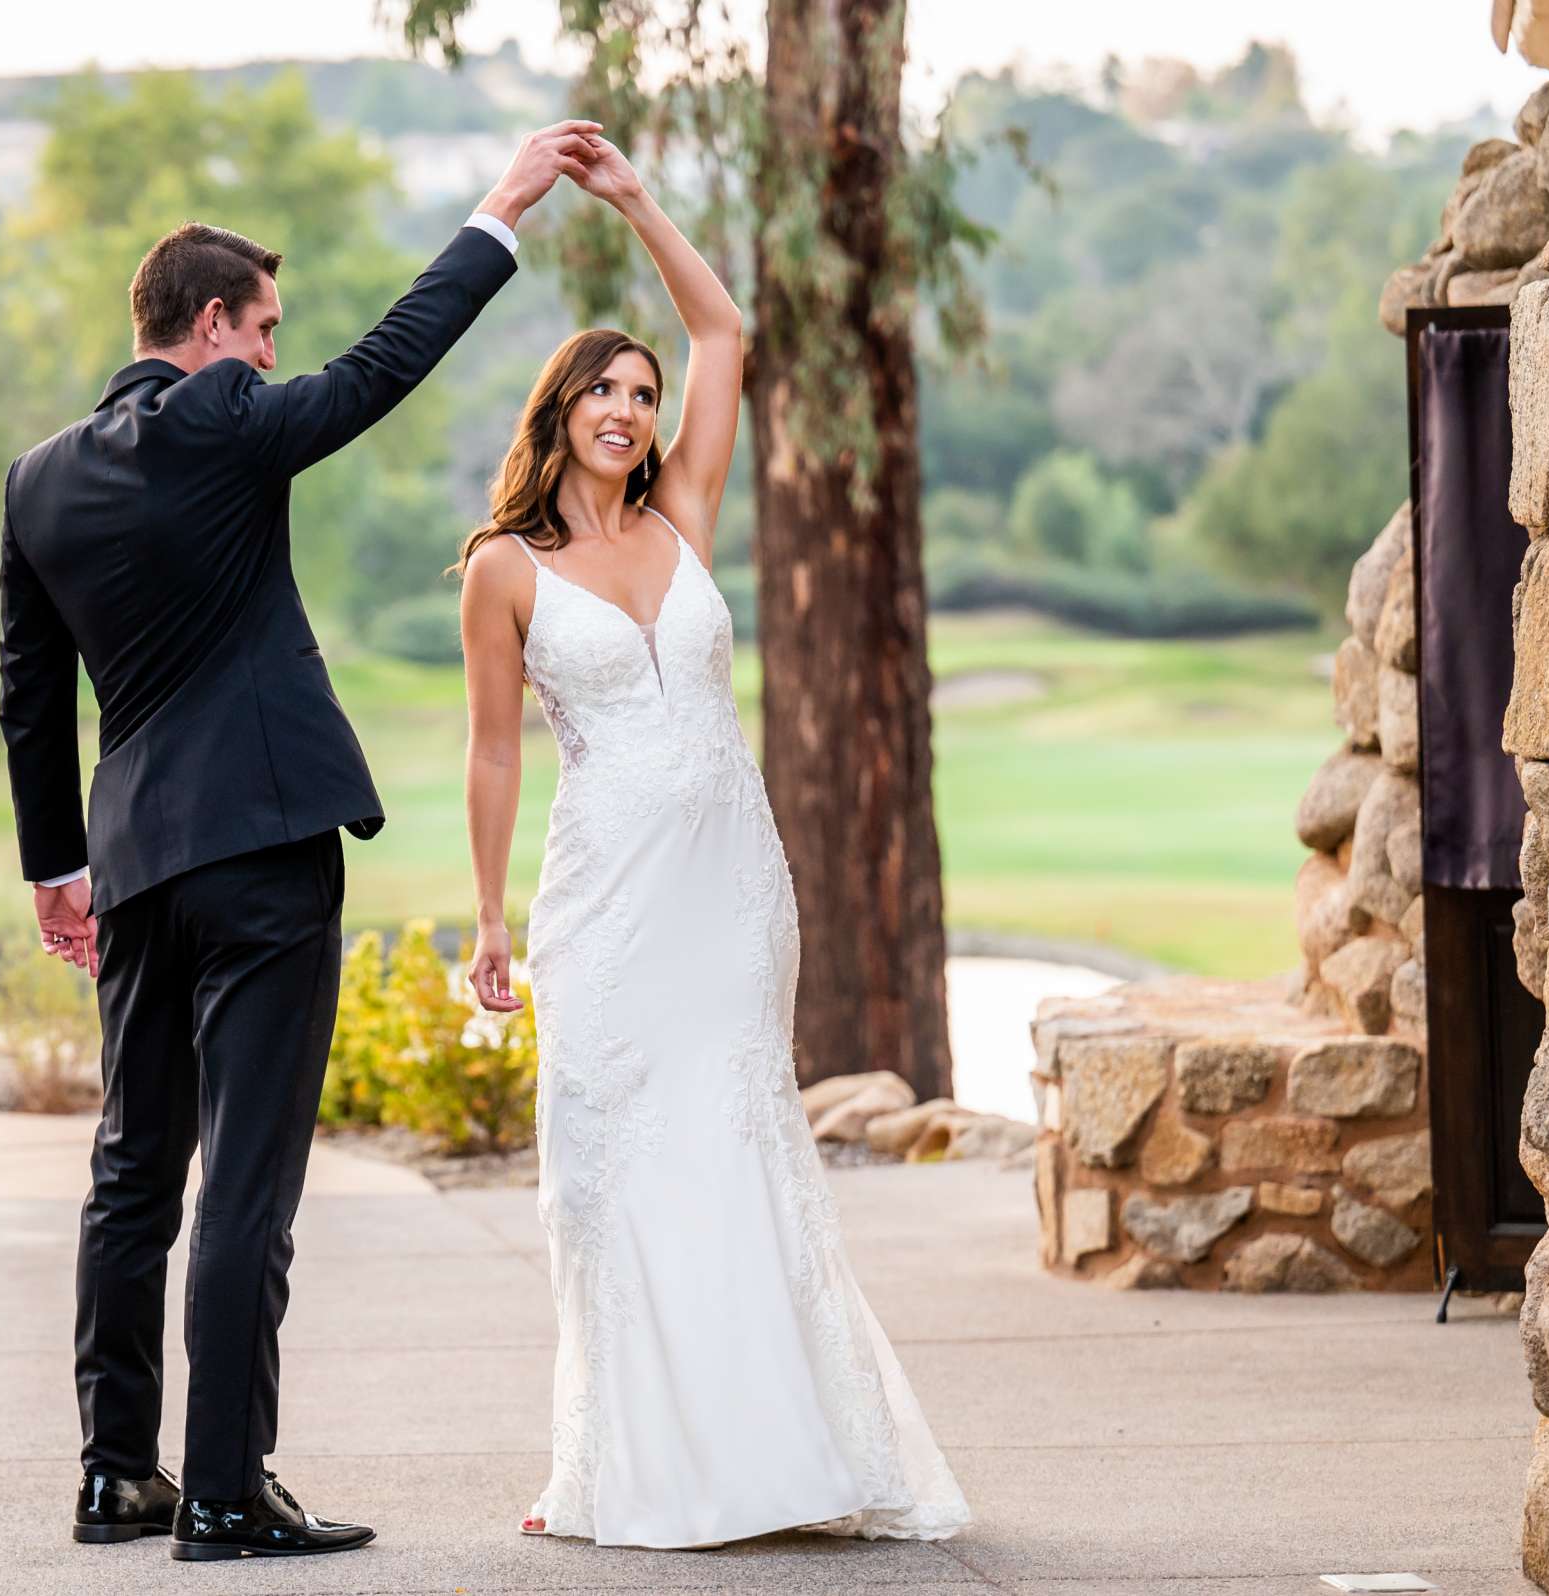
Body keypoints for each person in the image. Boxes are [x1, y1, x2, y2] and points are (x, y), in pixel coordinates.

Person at [0, 121, 603, 1563]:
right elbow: (387, 365)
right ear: (211, 325)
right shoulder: (220, 420)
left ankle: (113, 1473)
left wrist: (54, 866)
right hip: (264, 852)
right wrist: (501, 211)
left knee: (135, 1167)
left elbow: (29, 694)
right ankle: (223, 1489)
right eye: (265, 330)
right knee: (248, 1183)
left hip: (135, 862)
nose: (278, 355)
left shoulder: (38, 479)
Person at [454, 135, 973, 1551]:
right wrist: (490, 921)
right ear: (556, 411)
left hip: (732, 889)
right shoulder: (503, 571)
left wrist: (630, 200)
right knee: (605, 1163)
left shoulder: (682, 513)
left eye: (641, 394)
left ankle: (784, 1449)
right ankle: (617, 1462)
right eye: (602, 393)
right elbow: (494, 750)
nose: (629, 409)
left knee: (735, 1143)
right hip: (603, 898)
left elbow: (723, 325)